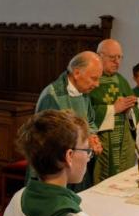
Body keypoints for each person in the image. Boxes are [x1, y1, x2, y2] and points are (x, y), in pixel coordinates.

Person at [30, 51, 104, 192]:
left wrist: (92, 136)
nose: (97, 84)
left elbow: (91, 121)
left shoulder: (84, 94)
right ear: (76, 73)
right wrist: (84, 141)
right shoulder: (52, 96)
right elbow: (47, 141)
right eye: (94, 79)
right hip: (56, 171)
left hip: (79, 164)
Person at [89, 39, 139, 183]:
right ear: (100, 56)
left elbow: (137, 112)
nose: (117, 62)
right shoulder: (92, 80)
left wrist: (129, 110)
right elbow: (85, 114)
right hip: (102, 146)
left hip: (124, 144)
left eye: (120, 57)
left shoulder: (122, 81)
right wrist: (114, 109)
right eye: (113, 58)